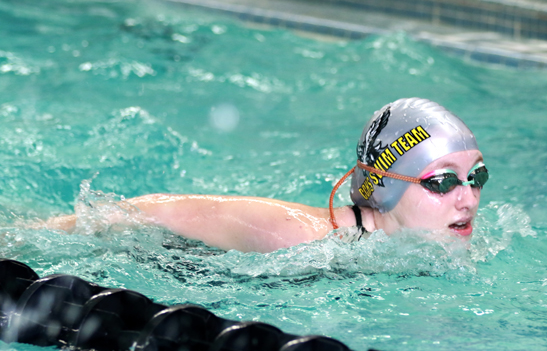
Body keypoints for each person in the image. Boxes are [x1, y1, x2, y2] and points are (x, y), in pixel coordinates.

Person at [44, 98, 489, 254]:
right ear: (387, 187)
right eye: (443, 181)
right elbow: (152, 212)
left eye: (476, 177)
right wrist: (39, 234)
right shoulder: (301, 234)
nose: (468, 199)